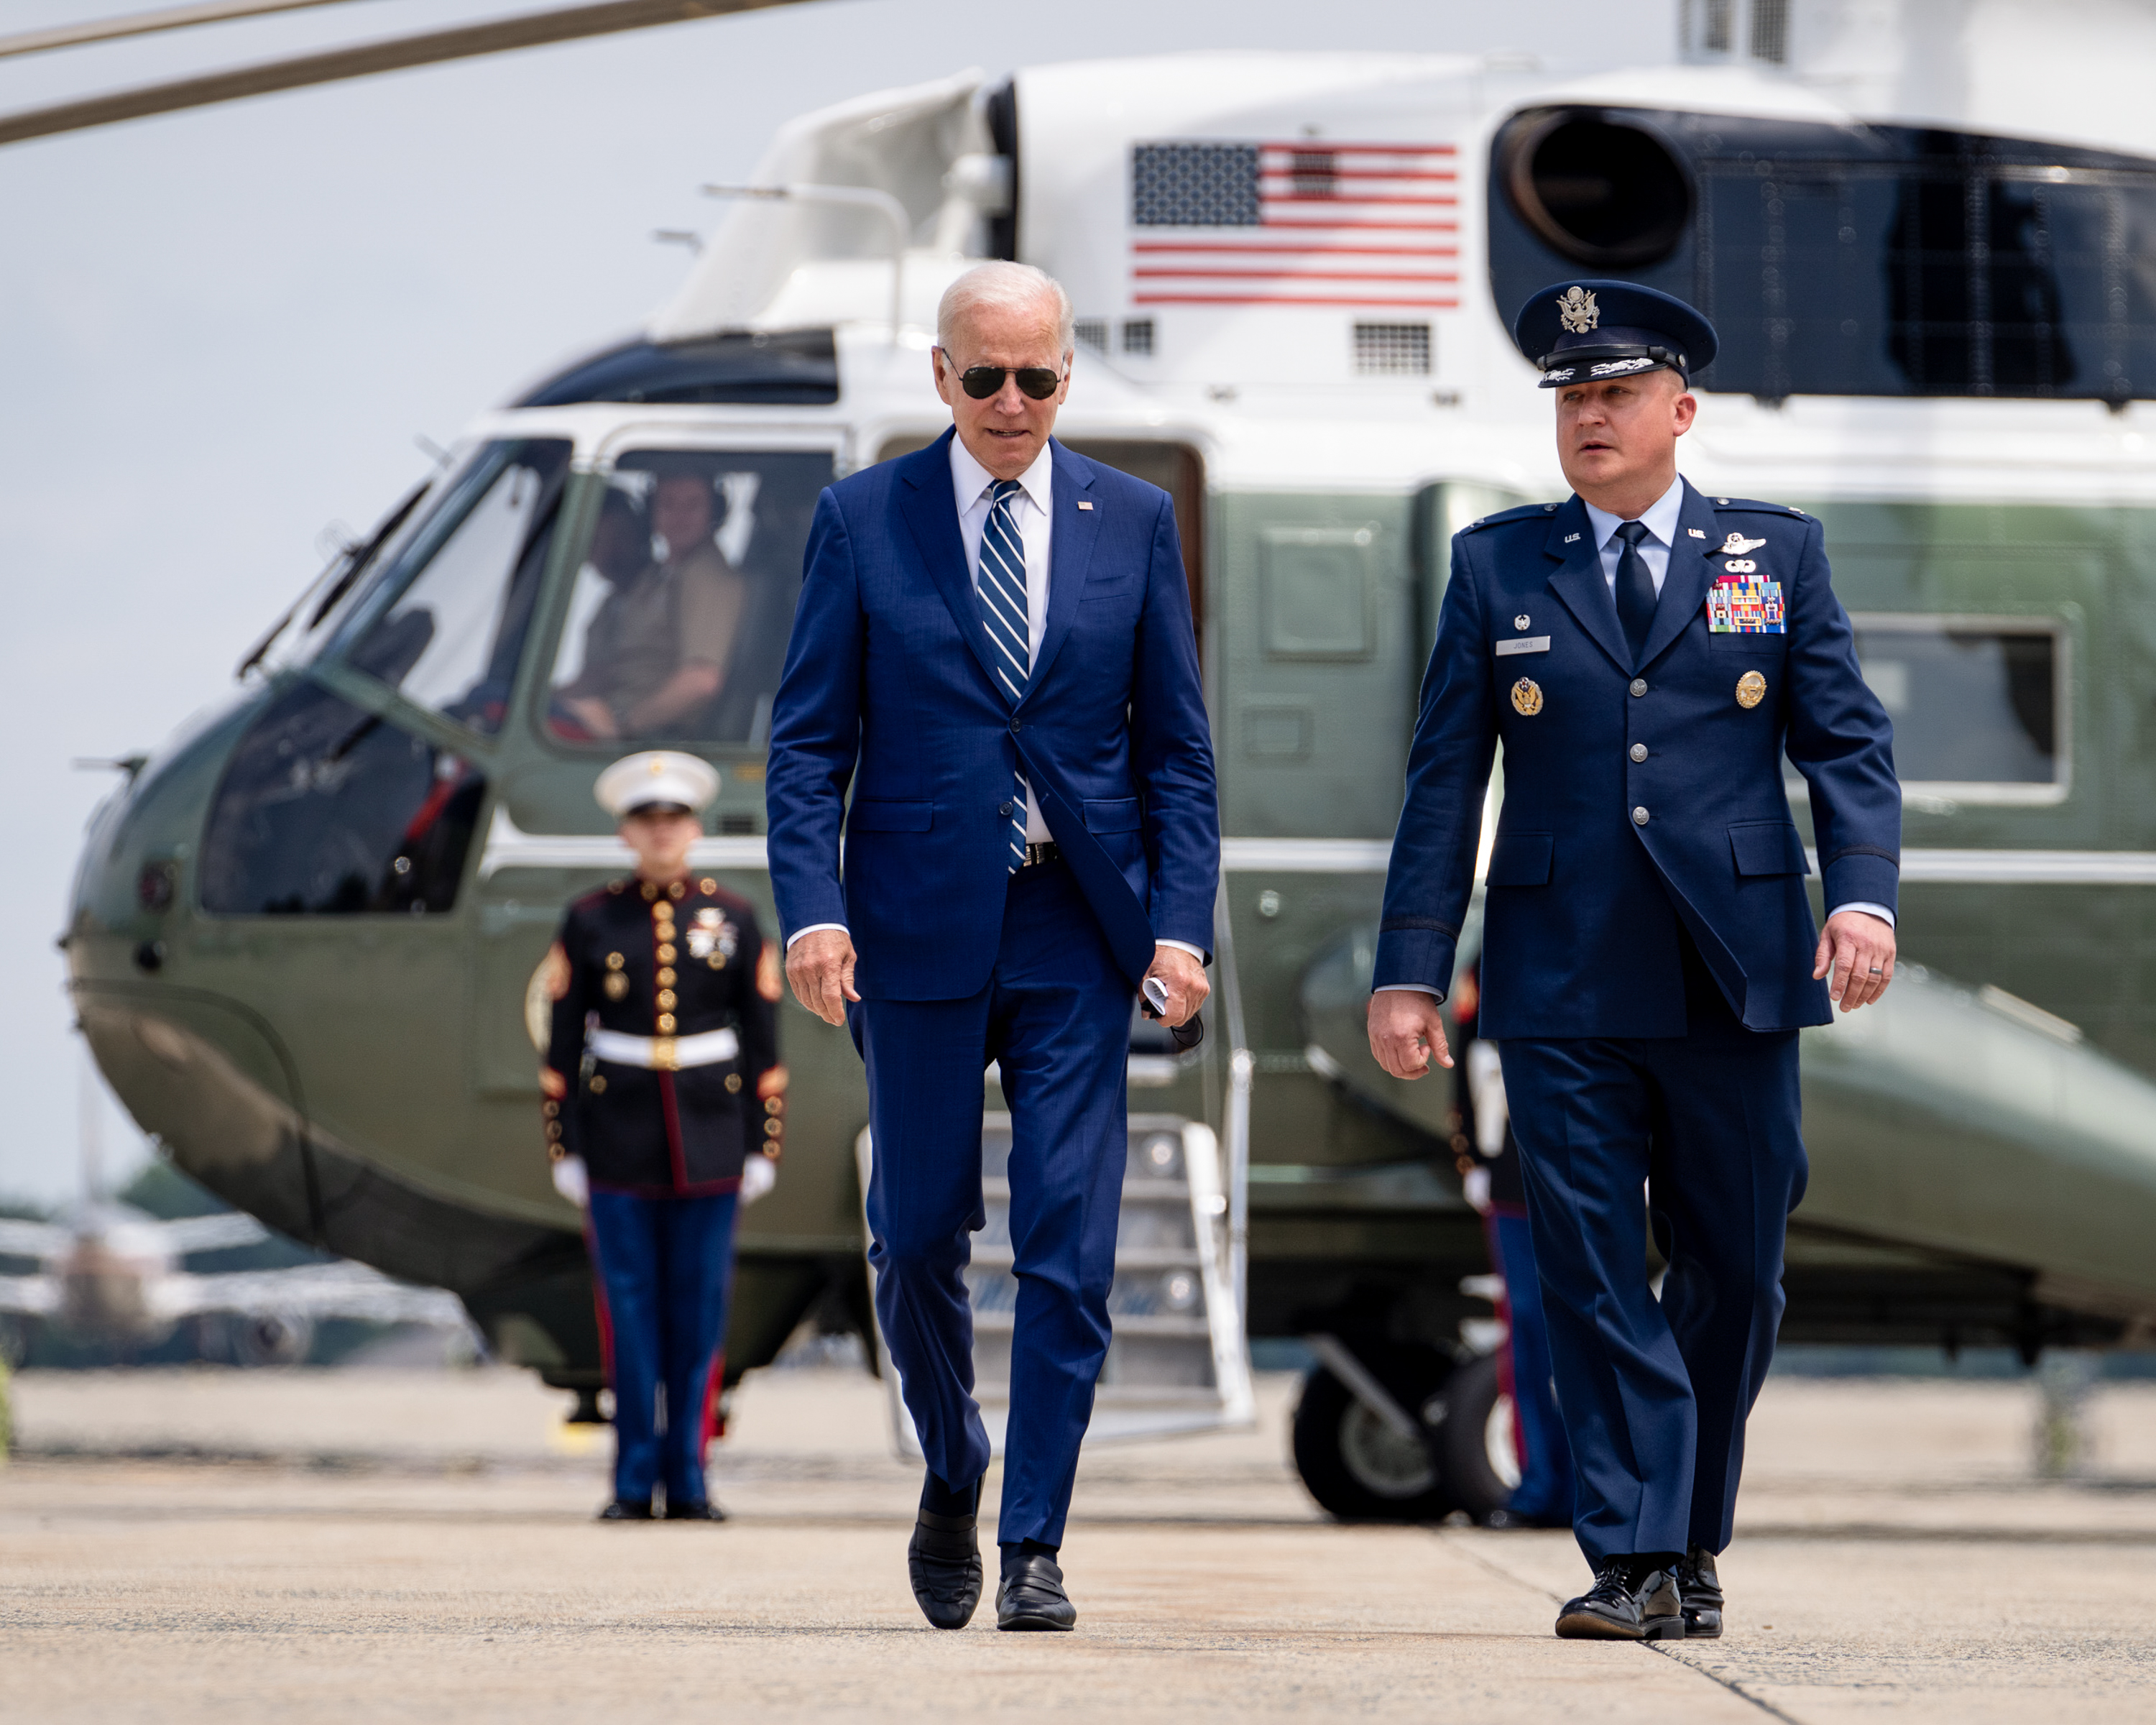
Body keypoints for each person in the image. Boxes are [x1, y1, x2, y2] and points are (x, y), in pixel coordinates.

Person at [1366, 280, 1899, 1641]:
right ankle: (1630, 1553)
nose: (1589, 415)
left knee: (1735, 1268)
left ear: (1681, 411)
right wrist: (1413, 965)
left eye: (1614, 393)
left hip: (1737, 972)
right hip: (1560, 979)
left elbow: (1845, 741)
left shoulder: (1774, 556)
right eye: (1570, 396)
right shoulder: (1499, 565)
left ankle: (1690, 1533)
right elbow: (1443, 781)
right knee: (1594, 1272)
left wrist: (1865, 901)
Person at [765, 261, 1218, 1632]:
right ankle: (954, 1458)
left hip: (1079, 928)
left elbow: (1178, 757)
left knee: (1070, 1250)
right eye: (984, 377)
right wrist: (814, 908)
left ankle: (1035, 1542)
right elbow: (804, 746)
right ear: (941, 376)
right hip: (911, 924)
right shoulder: (862, 520)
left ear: (1066, 377)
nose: (1011, 401)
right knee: (913, 1240)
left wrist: (1182, 929)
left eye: (1036, 377)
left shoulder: (1131, 520)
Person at [540, 750, 785, 1522]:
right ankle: (628, 1481)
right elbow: (560, 1048)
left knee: (699, 1312)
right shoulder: (589, 919)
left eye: (673, 819)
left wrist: (760, 1144)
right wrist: (566, 1147)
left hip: (710, 1139)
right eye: (647, 820)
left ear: (696, 828)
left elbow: (764, 1040)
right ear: (625, 833)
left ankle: (689, 1480)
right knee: (629, 1316)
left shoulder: (737, 919)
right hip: (617, 1141)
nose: (661, 832)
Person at [1450, 960, 1572, 1532]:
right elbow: (1472, 1057)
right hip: (1513, 1169)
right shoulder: (1490, 957)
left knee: (1591, 1328)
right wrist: (1473, 1152)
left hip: (1587, 1166)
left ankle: (1591, 1488)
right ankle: (1539, 1483)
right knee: (1525, 1328)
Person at [555, 464, 748, 740]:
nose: (679, 517)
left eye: (692, 505)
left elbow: (702, 679)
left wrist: (623, 725)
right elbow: (613, 667)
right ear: (650, 512)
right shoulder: (661, 575)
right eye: (668, 504)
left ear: (714, 512)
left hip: (644, 736)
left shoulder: (707, 577)